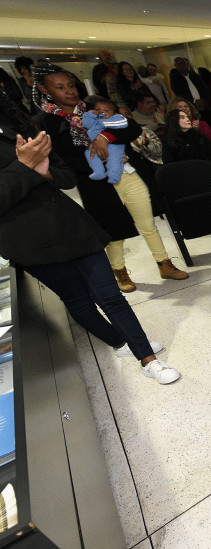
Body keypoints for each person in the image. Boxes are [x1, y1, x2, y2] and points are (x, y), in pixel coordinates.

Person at [1, 90, 181, 384]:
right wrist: (24, 167)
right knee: (79, 302)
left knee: (111, 297)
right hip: (30, 242)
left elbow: (65, 176)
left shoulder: (19, 126)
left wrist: (45, 174)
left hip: (71, 226)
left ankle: (147, 359)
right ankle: (120, 342)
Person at [32, 65, 187, 291]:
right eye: (60, 87)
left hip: (127, 173)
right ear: (44, 89)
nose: (70, 91)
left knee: (148, 223)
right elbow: (61, 160)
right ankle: (120, 272)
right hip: (95, 183)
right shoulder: (44, 122)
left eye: (71, 85)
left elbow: (131, 127)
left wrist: (105, 137)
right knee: (114, 231)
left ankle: (164, 263)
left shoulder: (92, 107)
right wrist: (94, 157)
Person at [81, 101, 128, 183]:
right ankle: (99, 172)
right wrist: (89, 115)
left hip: (114, 146)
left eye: (106, 110)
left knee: (114, 161)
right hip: (96, 146)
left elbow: (123, 123)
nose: (101, 112)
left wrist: (103, 123)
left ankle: (114, 176)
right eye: (97, 109)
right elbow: (87, 124)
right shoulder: (96, 121)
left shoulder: (117, 118)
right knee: (89, 154)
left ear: (115, 113)